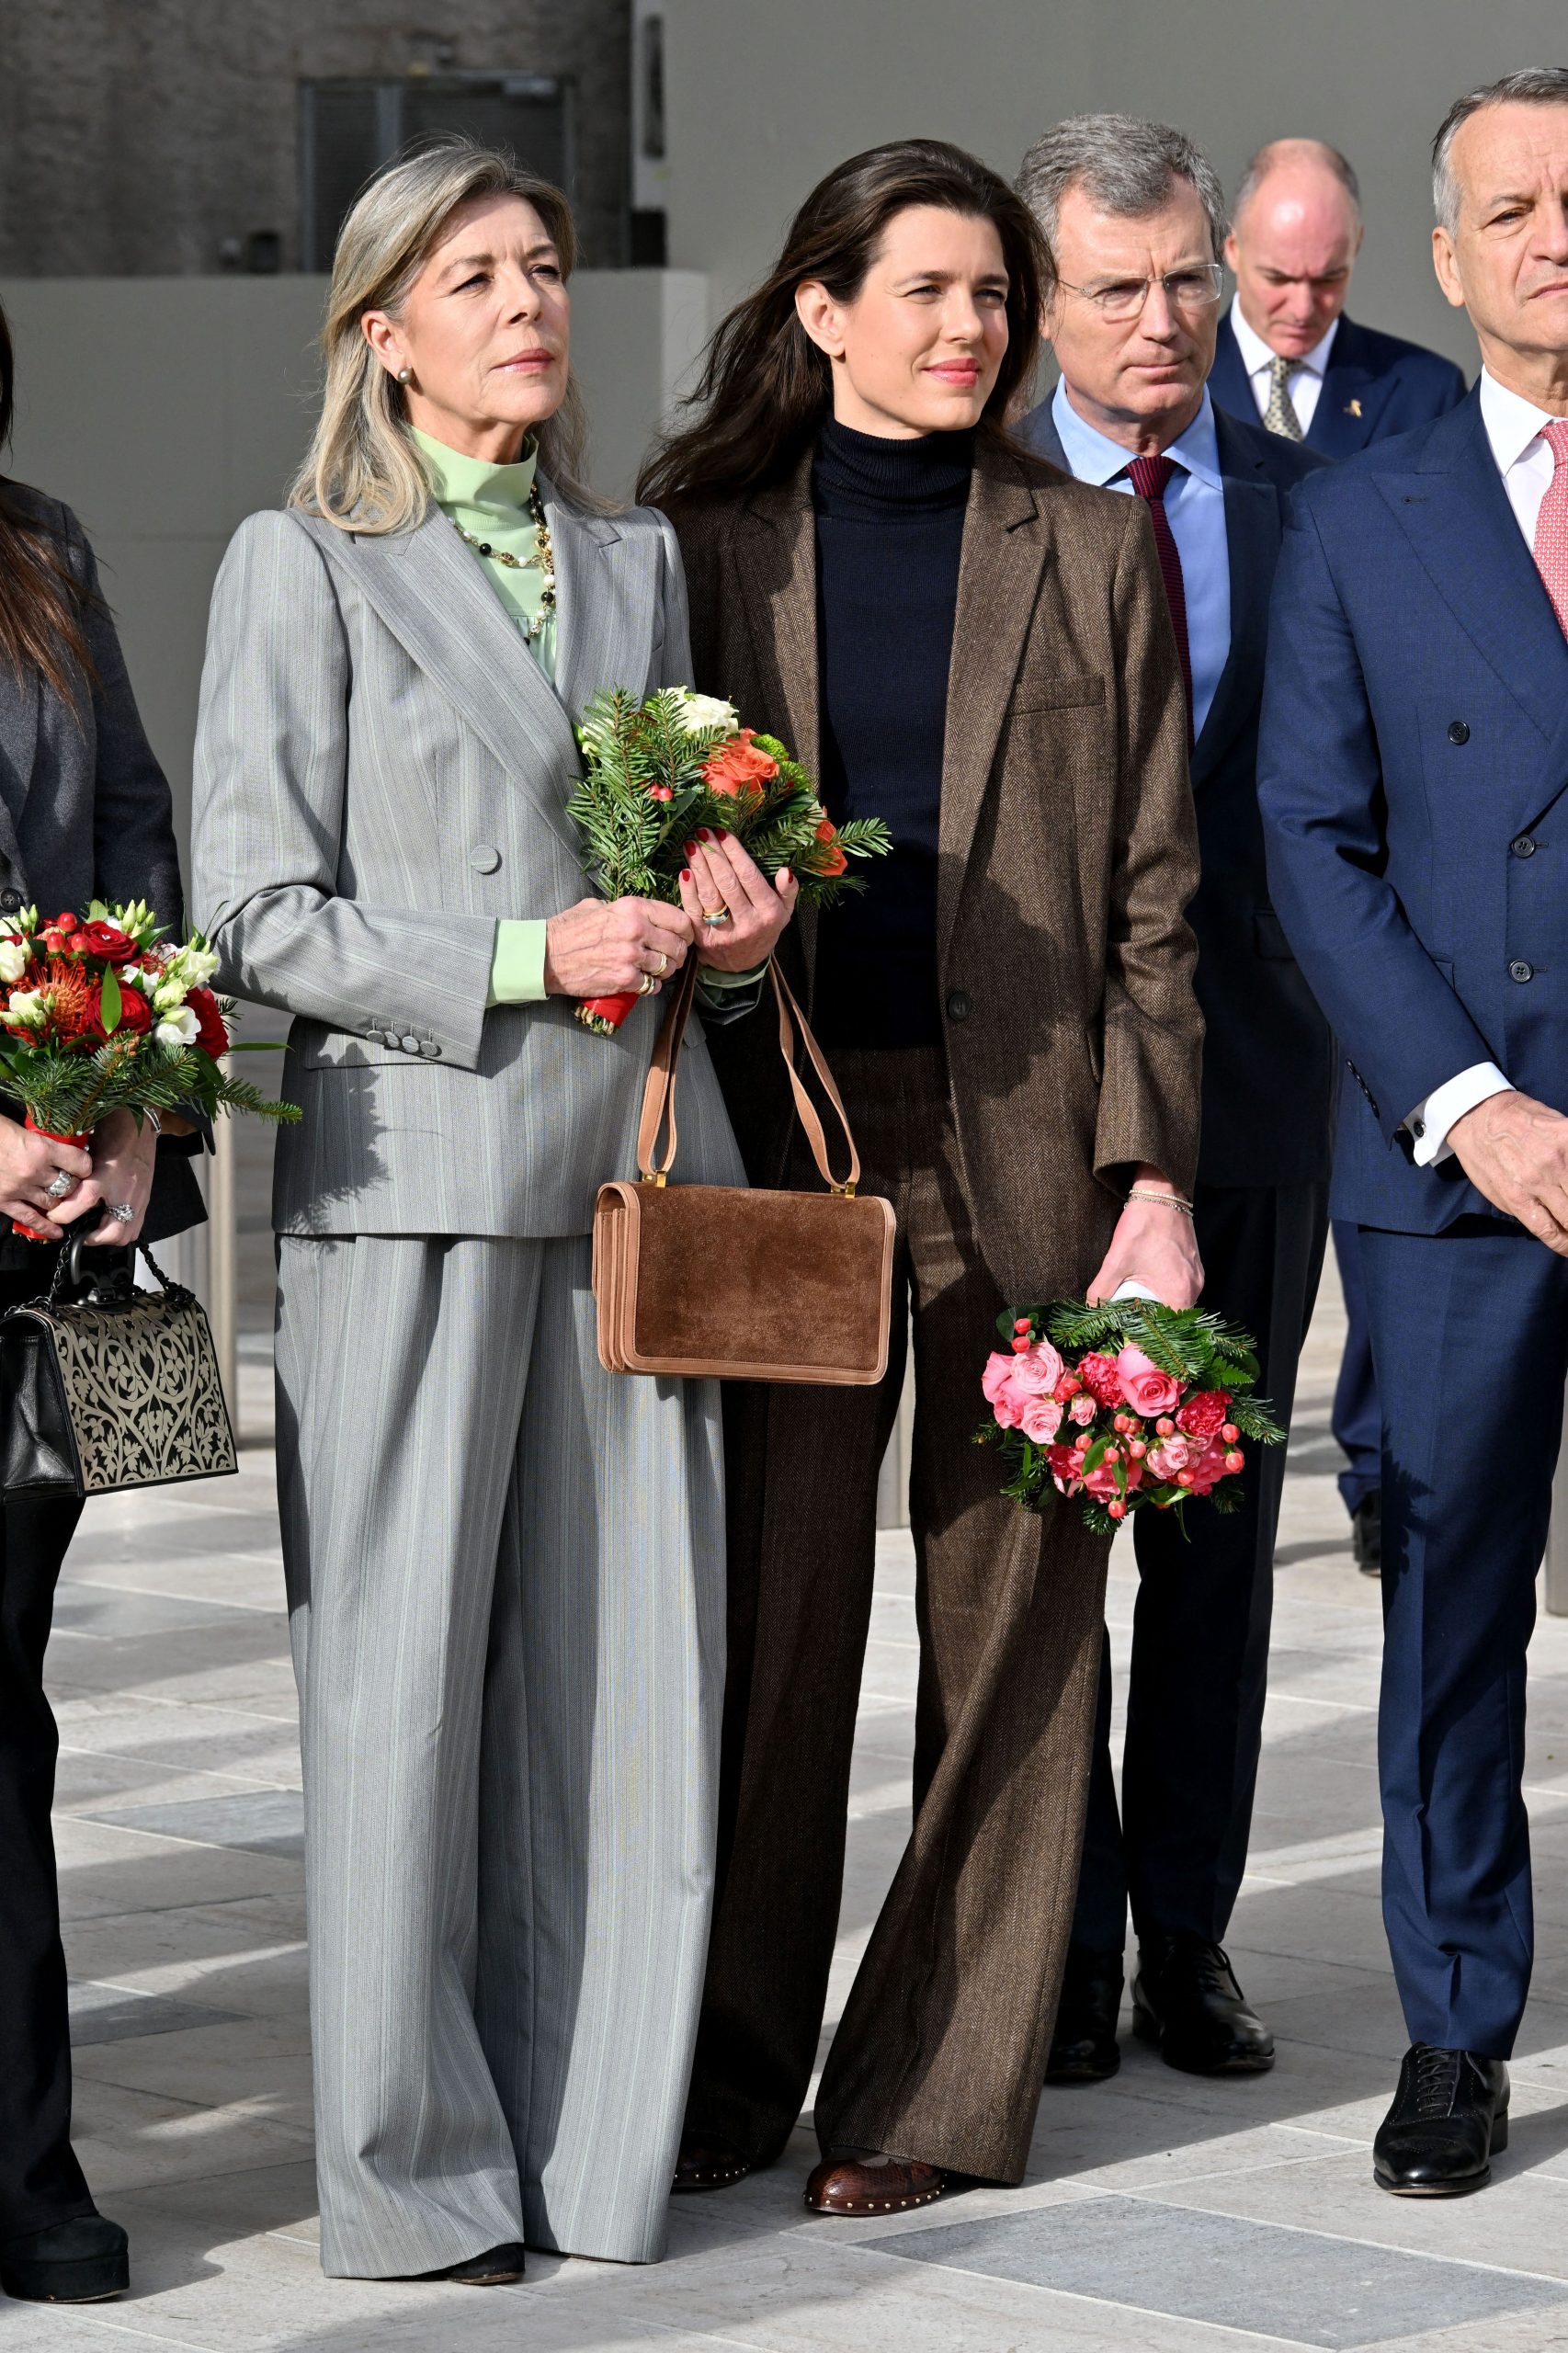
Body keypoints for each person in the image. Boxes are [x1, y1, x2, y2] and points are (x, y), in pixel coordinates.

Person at [191, 139, 792, 2281]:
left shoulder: (634, 566)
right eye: (474, 276)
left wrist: (736, 916)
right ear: (383, 332)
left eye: (543, 265)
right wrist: (542, 953)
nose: (527, 300)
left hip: (642, 1189)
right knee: (401, 1706)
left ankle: (593, 2148)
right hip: (410, 1200)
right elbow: (251, 909)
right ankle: (415, 2169)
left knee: (629, 1714)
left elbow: (691, 884)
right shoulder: (302, 565)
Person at [639, 137, 1204, 2218]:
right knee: (770, 1634)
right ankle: (720, 2064)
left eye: (992, 293)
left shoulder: (1081, 542)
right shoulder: (698, 544)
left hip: (1031, 1159)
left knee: (1023, 1641)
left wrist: (1148, 1168)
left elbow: (1153, 884)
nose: (969, 327)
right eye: (930, 290)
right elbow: (617, 828)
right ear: (819, 309)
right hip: (780, 1144)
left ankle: (934, 2086)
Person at [1259, 66, 1568, 2198]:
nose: (1557, 234)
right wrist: (1475, 1107)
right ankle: (1453, 2028)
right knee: (1452, 1603)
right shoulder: (1360, 506)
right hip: (1462, 1165)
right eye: (1515, 207)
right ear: (1443, 263)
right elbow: (1306, 833)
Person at [1014, 115, 1334, 2088]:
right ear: (1043, 302)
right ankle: (1047, 1935)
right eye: (1117, 288)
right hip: (1028, 1093)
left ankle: (1185, 1936)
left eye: (1188, 278)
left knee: (1212, 1536)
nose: (1165, 319)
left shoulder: (1325, 499)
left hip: (1262, 1095)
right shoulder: (965, 510)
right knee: (1038, 1535)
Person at [0, 301, 207, 2308]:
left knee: (4, 1701)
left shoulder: (40, 545)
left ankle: (26, 2161)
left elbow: (131, 818)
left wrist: (130, 1093)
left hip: (56, 1212)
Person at [1214, 138, 1469, 1583]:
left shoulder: (1416, 394)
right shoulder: (1175, 393)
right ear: (1231, 257)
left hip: (1376, 862)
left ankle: (1375, 1458)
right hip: (1252, 858)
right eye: (1274, 275)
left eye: (1325, 277)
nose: (1299, 303)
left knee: (1381, 1192)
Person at [1211, 137, 1467, 456]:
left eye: (1328, 279)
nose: (1302, 309)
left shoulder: (1426, 395)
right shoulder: (1169, 382)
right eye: (1278, 278)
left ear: (1355, 246)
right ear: (1232, 249)